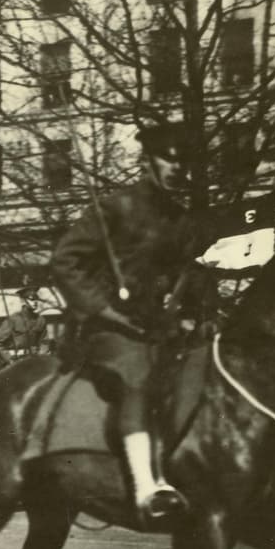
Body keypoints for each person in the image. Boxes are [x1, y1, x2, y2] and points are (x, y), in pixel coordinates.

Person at [50, 118, 209, 522]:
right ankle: (147, 487)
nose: (177, 168)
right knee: (138, 374)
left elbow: (188, 274)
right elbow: (66, 262)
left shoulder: (182, 218)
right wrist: (105, 308)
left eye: (183, 162)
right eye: (167, 159)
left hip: (163, 327)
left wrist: (192, 311)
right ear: (149, 161)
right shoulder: (114, 208)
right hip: (109, 329)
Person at [0, 287, 50, 364]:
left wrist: (42, 354)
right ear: (23, 301)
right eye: (32, 299)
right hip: (17, 361)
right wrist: (9, 359)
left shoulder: (40, 320)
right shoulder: (13, 320)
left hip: (35, 360)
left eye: (37, 299)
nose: (35, 302)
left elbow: (44, 341)